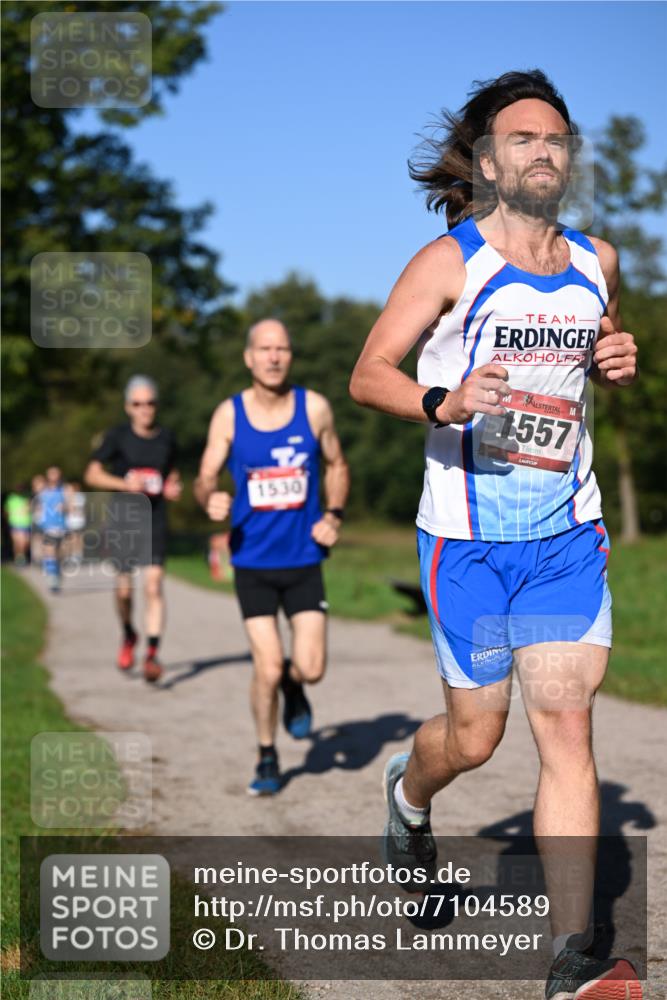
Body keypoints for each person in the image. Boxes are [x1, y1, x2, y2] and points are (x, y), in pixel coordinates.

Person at [350, 70, 641, 1000]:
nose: (542, 149)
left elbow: (602, 353)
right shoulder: (450, 262)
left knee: (564, 726)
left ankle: (572, 957)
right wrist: (443, 400)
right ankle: (408, 795)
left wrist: (617, 356)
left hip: (563, 533)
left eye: (554, 137)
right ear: (484, 161)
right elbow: (368, 375)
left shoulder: (598, 259)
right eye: (521, 138)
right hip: (467, 541)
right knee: (475, 738)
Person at [195, 318, 350, 795]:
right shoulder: (229, 414)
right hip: (253, 563)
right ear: (249, 358)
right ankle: (266, 755)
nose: (274, 356)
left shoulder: (315, 408)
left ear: (290, 356)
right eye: (265, 348)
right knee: (266, 665)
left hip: (304, 558)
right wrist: (209, 498)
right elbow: (204, 477)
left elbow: (337, 464)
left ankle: (294, 687)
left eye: (282, 348)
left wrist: (335, 514)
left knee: (312, 668)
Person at [84, 376, 182, 682]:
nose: (144, 409)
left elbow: (173, 473)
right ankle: (129, 634)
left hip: (155, 517)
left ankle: (152, 654)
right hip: (124, 518)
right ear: (128, 407)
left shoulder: (167, 438)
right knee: (124, 591)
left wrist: (172, 487)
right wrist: (123, 484)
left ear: (156, 406)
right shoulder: (117, 437)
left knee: (153, 586)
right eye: (138, 404)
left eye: (150, 403)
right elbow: (92, 474)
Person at [35, 466, 67, 591]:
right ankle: (52, 578)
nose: (54, 476)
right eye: (51, 474)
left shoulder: (64, 490)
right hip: (47, 526)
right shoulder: (42, 490)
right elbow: (36, 505)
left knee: (59, 554)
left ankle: (57, 572)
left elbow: (71, 507)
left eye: (56, 473)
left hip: (61, 526)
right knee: (50, 551)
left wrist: (64, 507)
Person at [5, 483, 32, 566]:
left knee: (26, 542)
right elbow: (7, 511)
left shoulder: (27, 498)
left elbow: (31, 509)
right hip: (15, 523)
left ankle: (21, 556)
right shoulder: (11, 499)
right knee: (18, 542)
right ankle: (19, 558)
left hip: (26, 523)